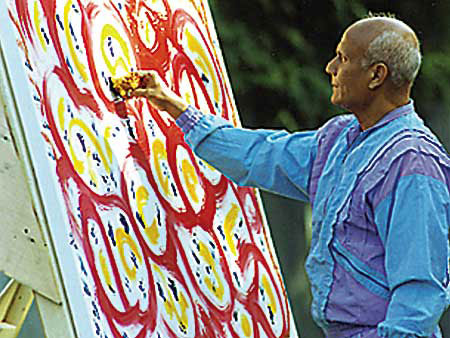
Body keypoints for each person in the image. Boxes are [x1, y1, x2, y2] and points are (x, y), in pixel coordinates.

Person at [129, 14, 450, 338]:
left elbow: (419, 293)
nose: (330, 68)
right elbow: (259, 154)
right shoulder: (341, 139)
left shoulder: (413, 164)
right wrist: (172, 106)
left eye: (343, 58)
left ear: (376, 75)